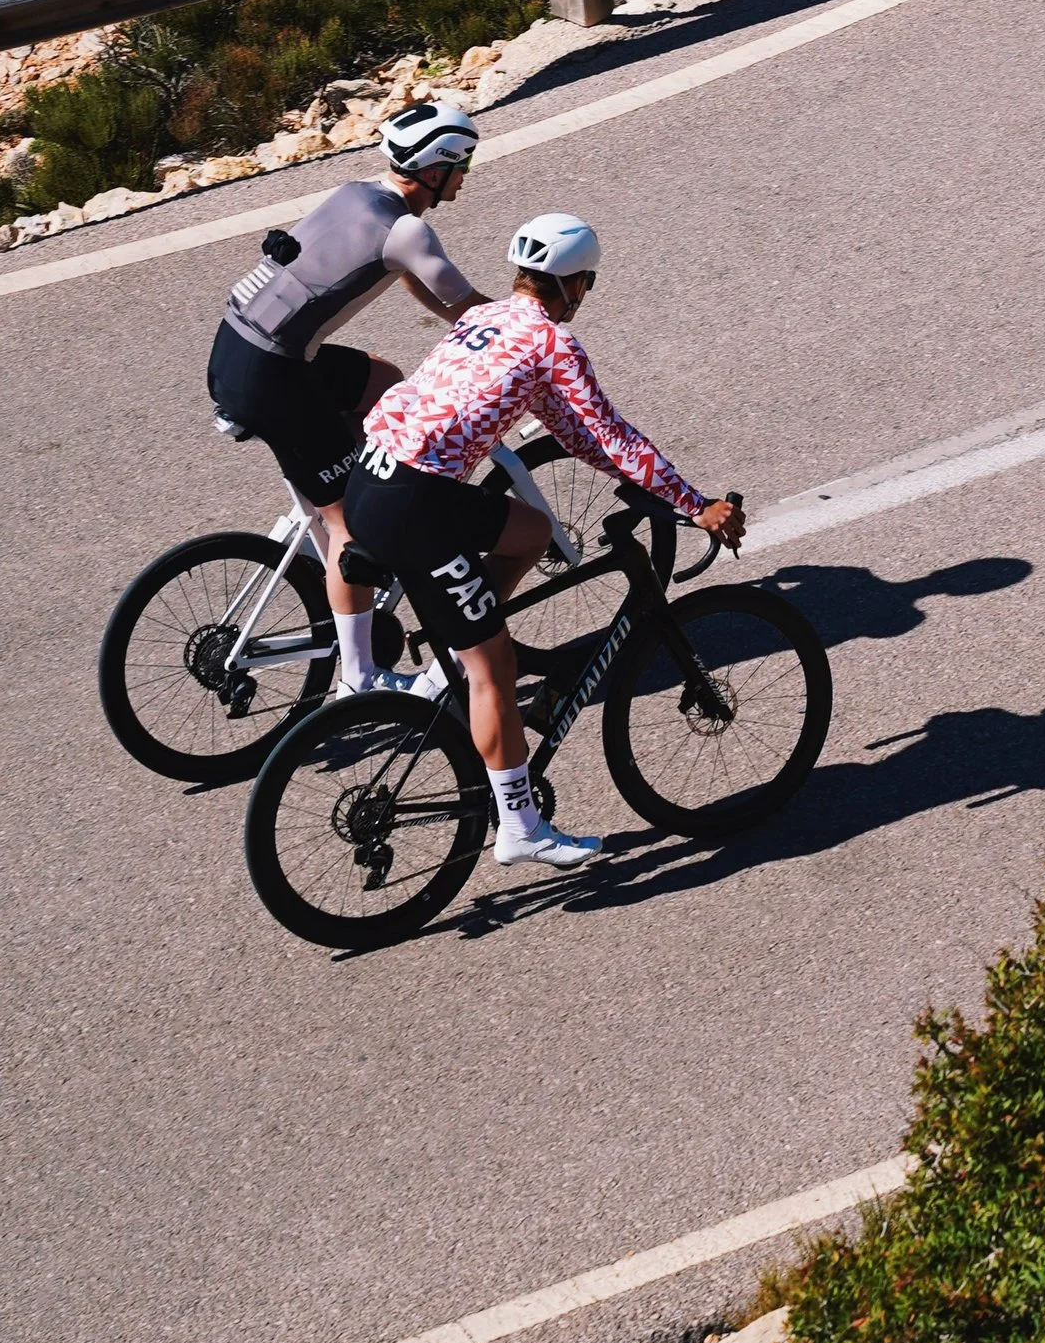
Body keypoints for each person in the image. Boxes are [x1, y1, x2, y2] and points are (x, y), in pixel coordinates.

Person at [345, 210, 743, 873]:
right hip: (415, 501)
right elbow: (611, 435)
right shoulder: (553, 344)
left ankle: (455, 651)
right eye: (586, 284)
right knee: (493, 668)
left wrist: (634, 474)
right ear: (573, 283)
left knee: (529, 532)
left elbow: (576, 432)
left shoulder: (485, 318)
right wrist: (694, 503)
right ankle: (521, 826)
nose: (584, 296)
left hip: (372, 474)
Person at [208, 100, 484, 693]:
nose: (466, 175)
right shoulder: (408, 229)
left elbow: (413, 278)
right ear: (435, 169)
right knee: (349, 526)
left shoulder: (359, 192)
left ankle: (360, 495)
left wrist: (457, 326)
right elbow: (473, 309)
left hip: (240, 350)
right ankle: (358, 677)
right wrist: (526, 342)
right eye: (463, 163)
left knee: (386, 382)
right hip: (272, 375)